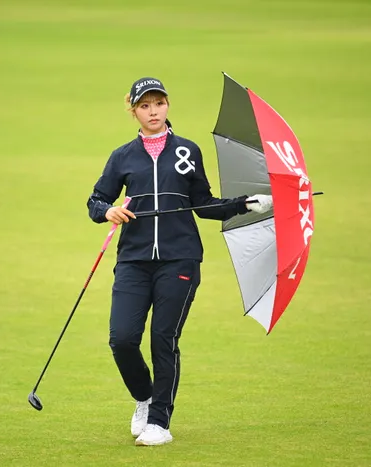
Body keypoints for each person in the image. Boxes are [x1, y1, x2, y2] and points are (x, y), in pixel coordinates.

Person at [86, 77, 273, 446]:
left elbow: (203, 205)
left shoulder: (188, 151)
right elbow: (95, 201)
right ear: (134, 111)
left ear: (167, 105)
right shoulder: (122, 156)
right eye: (144, 106)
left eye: (158, 103)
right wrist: (108, 211)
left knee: (163, 338)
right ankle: (145, 397)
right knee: (122, 339)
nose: (153, 111)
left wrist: (243, 204)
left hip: (180, 260)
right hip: (134, 261)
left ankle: (159, 423)